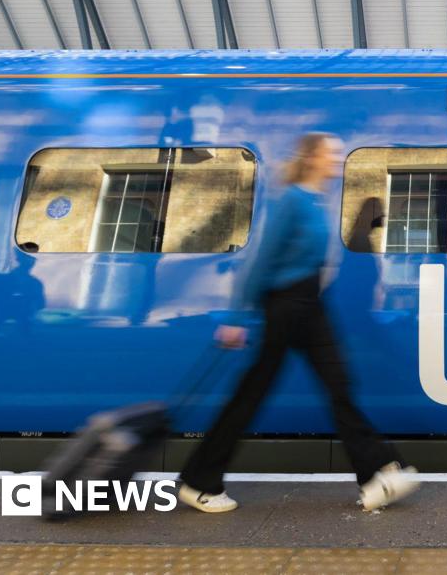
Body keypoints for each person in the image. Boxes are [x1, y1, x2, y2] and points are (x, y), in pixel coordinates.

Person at [178, 133, 419, 513]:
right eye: (331, 154)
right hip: (286, 307)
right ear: (311, 159)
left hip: (310, 306)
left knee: (339, 384)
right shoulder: (291, 201)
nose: (338, 161)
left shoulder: (315, 201)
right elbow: (261, 260)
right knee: (252, 394)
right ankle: (197, 481)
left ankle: (376, 470)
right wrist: (238, 317)